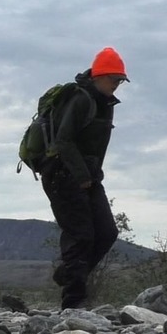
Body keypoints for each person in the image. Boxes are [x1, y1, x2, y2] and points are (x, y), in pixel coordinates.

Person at [40, 47, 128, 309]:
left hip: (88, 177)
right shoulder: (81, 100)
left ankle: (67, 275)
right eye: (114, 79)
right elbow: (63, 141)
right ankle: (73, 304)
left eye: (120, 81)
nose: (117, 85)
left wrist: (92, 176)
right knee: (81, 236)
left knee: (107, 232)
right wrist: (81, 176)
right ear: (99, 76)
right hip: (61, 174)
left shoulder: (105, 104)